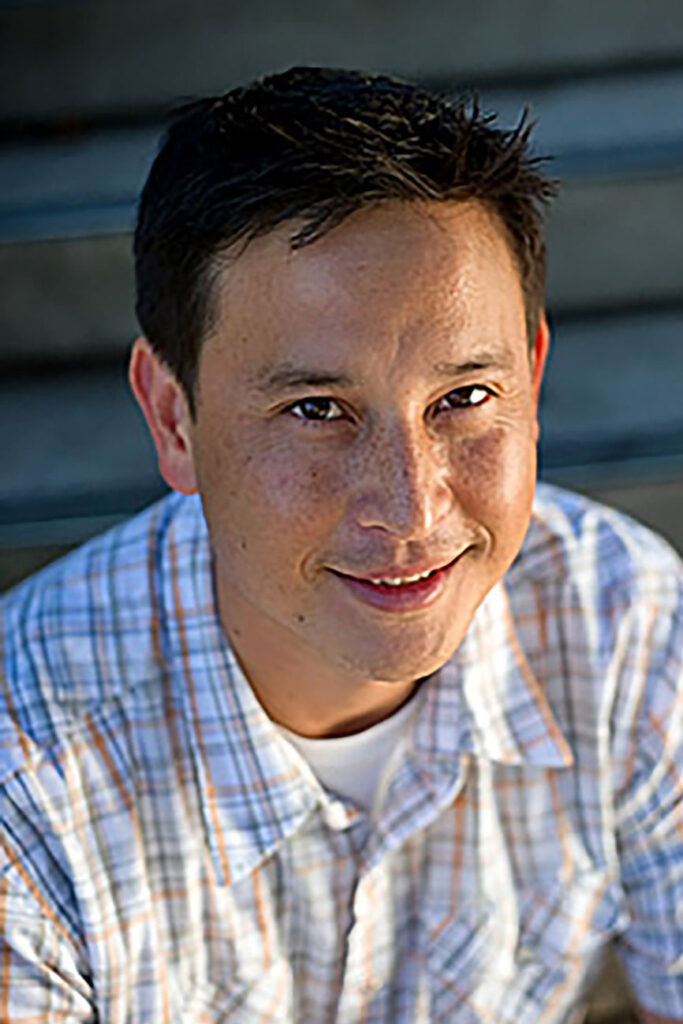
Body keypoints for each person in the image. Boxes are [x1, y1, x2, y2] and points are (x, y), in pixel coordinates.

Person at [0, 66, 681, 1024]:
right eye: (315, 409)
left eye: (463, 399)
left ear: (530, 373)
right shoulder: (23, 778)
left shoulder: (628, 628)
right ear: (173, 418)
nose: (410, 506)